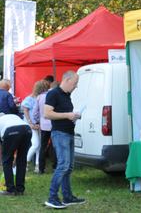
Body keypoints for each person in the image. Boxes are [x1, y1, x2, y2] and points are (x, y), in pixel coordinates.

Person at [44, 71, 85, 209]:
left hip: (68, 133)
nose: (76, 86)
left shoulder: (67, 95)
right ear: (66, 80)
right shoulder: (53, 93)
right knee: (63, 166)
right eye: (75, 83)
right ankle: (52, 197)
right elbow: (47, 113)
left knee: (68, 167)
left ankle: (67, 197)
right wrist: (68, 115)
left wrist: (74, 116)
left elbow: (62, 114)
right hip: (60, 134)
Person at [0, 113, 32, 196]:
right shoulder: (13, 116)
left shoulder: (2, 121)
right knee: (22, 161)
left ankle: (10, 190)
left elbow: (2, 145)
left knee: (7, 161)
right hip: (27, 129)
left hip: (11, 130)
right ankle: (20, 189)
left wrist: (3, 158)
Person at [22, 80, 49, 173]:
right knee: (36, 144)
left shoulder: (42, 97)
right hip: (31, 125)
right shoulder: (29, 98)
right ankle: (24, 163)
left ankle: (37, 165)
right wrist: (30, 123)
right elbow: (25, 111)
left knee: (39, 146)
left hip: (39, 125)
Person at [34, 80, 57, 174]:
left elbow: (35, 112)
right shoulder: (53, 95)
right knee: (55, 146)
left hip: (43, 125)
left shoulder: (39, 97)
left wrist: (37, 121)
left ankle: (41, 169)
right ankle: (55, 166)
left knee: (43, 146)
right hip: (54, 123)